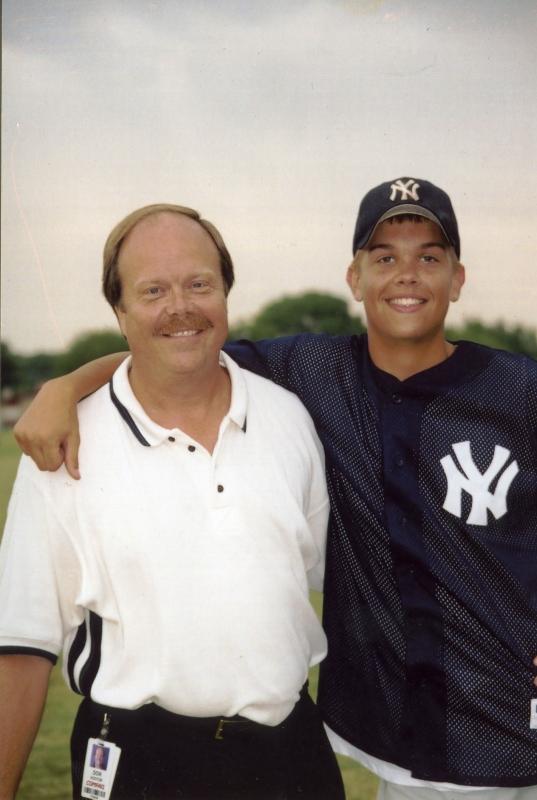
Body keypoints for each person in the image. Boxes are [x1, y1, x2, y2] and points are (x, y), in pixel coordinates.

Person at [11, 178, 537, 799]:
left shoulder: (513, 388)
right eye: (384, 257)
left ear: (458, 277)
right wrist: (64, 386)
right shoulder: (312, 373)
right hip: (386, 758)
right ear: (354, 278)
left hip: (477, 721)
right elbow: (175, 349)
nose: (407, 276)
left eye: (429, 257)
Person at [0, 204, 345, 800]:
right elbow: (21, 646)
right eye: (153, 289)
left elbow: (320, 575)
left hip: (289, 755)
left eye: (199, 284)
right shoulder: (64, 446)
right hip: (138, 760)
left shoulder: (288, 417)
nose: (180, 307)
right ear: (120, 311)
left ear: (226, 296)